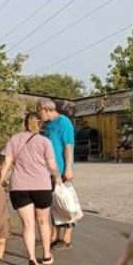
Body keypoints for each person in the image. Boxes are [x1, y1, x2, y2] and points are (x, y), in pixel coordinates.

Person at [0, 112, 62, 265]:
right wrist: (57, 177)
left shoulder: (14, 139)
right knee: (43, 221)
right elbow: (52, 165)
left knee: (28, 225)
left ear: (24, 123)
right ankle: (47, 255)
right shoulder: (45, 142)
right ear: (40, 124)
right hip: (41, 185)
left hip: (19, 187)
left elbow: (6, 163)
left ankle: (32, 261)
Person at [36, 98, 76, 250]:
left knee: (65, 202)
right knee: (54, 204)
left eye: (40, 111)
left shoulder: (63, 122)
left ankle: (67, 238)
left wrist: (68, 168)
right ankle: (55, 236)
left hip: (61, 168)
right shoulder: (48, 126)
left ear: (46, 109)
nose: (39, 115)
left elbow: (68, 146)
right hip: (48, 170)